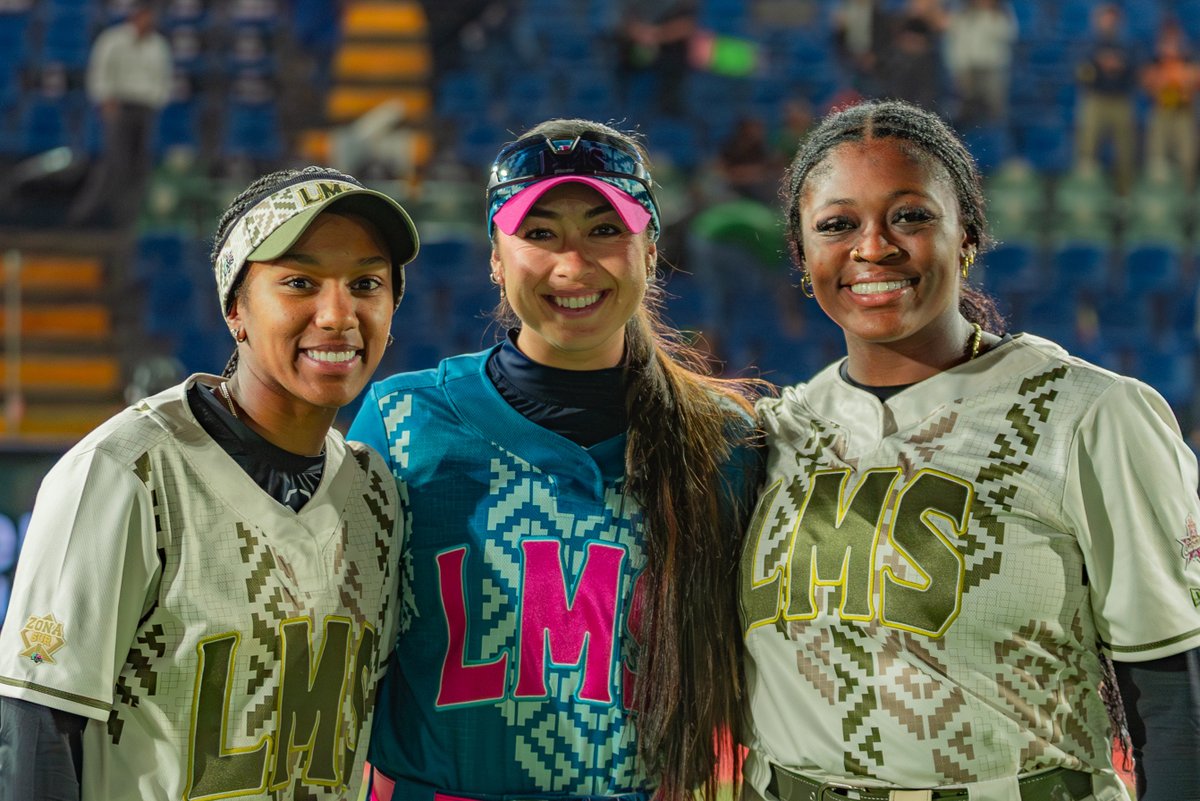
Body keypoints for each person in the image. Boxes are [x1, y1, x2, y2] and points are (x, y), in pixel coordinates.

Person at [740, 99, 1200, 801]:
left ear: (968, 236)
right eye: (838, 224)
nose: (874, 247)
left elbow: (1174, 706)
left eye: (911, 215)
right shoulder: (775, 433)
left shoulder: (1090, 418)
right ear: (804, 257)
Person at [350, 118, 764, 801]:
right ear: (495, 256)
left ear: (651, 248)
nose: (572, 265)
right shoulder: (402, 424)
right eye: (539, 234)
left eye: (605, 230)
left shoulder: (725, 443)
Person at [0, 165, 421, 800]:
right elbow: (36, 732)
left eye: (366, 284)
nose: (338, 314)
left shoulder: (374, 492)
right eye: (299, 282)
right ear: (236, 310)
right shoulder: (127, 472)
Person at [67, 0, 172, 228]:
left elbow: (164, 80)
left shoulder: (158, 46)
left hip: (145, 109)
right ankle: (84, 216)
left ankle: (128, 219)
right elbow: (100, 72)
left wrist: (156, 102)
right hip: (120, 107)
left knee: (139, 166)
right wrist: (105, 99)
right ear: (135, 16)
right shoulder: (113, 40)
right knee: (115, 163)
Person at [1074, 3, 1139, 195]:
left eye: (1112, 18)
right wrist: (1098, 64)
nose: (1109, 22)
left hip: (1121, 100)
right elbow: (1081, 73)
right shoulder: (1088, 44)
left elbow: (1136, 71)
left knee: (1125, 151)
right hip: (1096, 99)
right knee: (1087, 148)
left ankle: (1124, 194)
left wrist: (1120, 65)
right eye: (1105, 18)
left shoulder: (1128, 44)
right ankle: (1086, 192)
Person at [1140, 20, 1200, 191]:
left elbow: (1194, 83)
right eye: (1167, 39)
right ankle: (1159, 195)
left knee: (1187, 157)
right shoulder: (1154, 61)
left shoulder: (1189, 59)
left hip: (1183, 113)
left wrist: (1182, 83)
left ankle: (1187, 195)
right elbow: (1147, 84)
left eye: (1174, 38)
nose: (1171, 43)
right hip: (1162, 112)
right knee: (1157, 157)